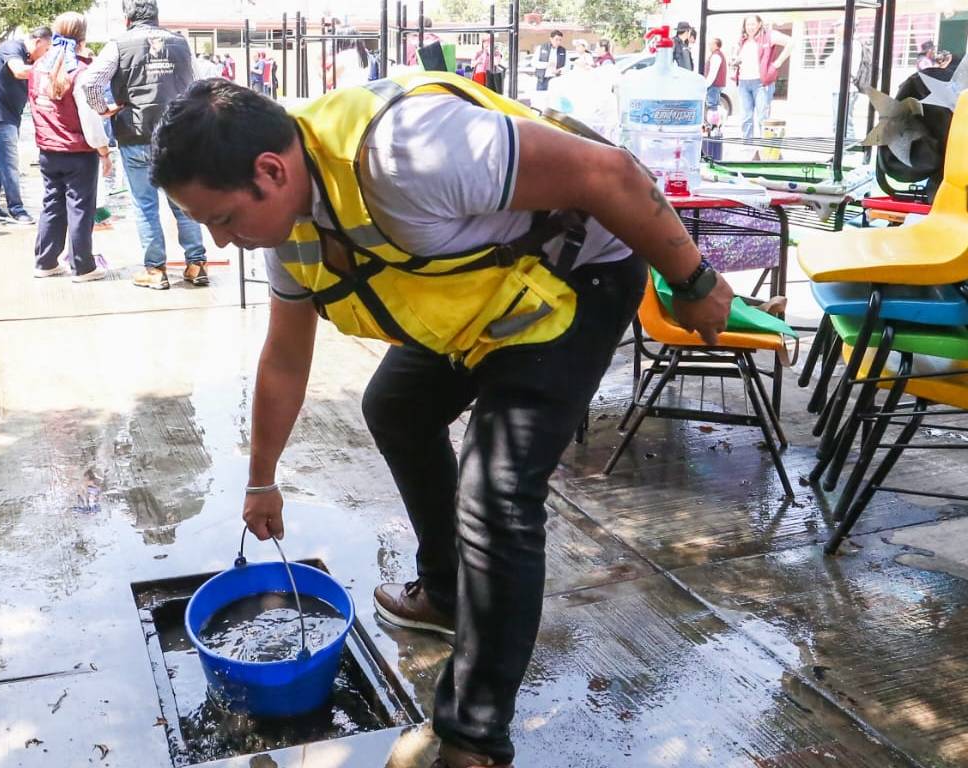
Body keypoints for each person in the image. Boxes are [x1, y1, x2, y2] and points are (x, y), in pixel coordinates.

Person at [150, 76, 732, 768]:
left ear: (270, 172)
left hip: (578, 282)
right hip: (485, 305)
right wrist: (260, 482)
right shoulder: (291, 229)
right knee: (395, 407)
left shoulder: (408, 152)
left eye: (221, 219)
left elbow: (607, 171)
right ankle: (448, 592)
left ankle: (473, 738)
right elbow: (283, 358)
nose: (221, 240)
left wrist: (693, 280)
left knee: (497, 497)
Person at [78, 0, 208, 290]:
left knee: (145, 205)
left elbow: (90, 82)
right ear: (157, 17)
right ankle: (196, 264)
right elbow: (201, 85)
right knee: (184, 201)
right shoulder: (180, 43)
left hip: (136, 134)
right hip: (178, 136)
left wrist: (105, 109)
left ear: (128, 19)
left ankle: (156, 270)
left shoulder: (118, 45)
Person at [29, 12, 110, 283]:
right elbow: (90, 119)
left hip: (48, 151)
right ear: (82, 38)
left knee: (52, 203)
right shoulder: (82, 71)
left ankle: (45, 261)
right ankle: (82, 267)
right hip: (78, 153)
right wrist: (104, 151)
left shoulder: (38, 67)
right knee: (80, 207)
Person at [0, 27, 53, 225]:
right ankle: (16, 209)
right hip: (0, 115)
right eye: (46, 50)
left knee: (0, 161)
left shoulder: (29, 59)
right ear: (37, 42)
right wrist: (49, 69)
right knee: (9, 163)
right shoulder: (12, 48)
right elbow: (18, 71)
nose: (45, 55)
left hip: (10, 116)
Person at [733, 15, 791, 139]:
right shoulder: (742, 40)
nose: (750, 27)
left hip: (761, 83)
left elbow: (791, 42)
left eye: (753, 24)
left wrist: (777, 63)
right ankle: (747, 146)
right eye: (748, 24)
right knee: (745, 117)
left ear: (759, 24)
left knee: (762, 117)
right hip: (743, 82)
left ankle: (765, 147)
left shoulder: (769, 36)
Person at [704, 37, 727, 111]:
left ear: (716, 45)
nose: (709, 46)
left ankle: (713, 122)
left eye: (710, 44)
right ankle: (715, 122)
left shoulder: (716, 56)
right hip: (716, 85)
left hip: (714, 85)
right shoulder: (718, 54)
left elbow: (712, 73)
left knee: (712, 106)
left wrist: (706, 84)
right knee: (714, 106)